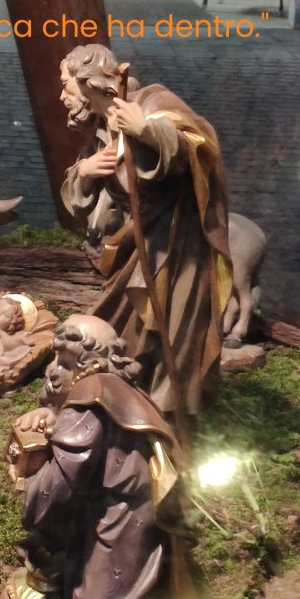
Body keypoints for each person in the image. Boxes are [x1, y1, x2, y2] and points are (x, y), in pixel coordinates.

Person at [11, 314, 226, 599]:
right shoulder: (115, 391)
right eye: (55, 358)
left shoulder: (89, 399)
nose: (53, 370)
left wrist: (28, 475)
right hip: (117, 512)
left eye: (63, 361)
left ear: (88, 366)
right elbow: (83, 438)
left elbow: (57, 489)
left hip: (124, 522)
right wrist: (52, 417)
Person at [60, 45, 232, 416]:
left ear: (88, 83)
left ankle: (167, 414)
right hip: (135, 245)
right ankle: (120, 396)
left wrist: (146, 130)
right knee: (118, 324)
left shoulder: (152, 102)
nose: (62, 96)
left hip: (179, 243)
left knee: (173, 328)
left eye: (65, 85)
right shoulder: (102, 132)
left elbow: (200, 146)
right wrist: (85, 172)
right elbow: (78, 201)